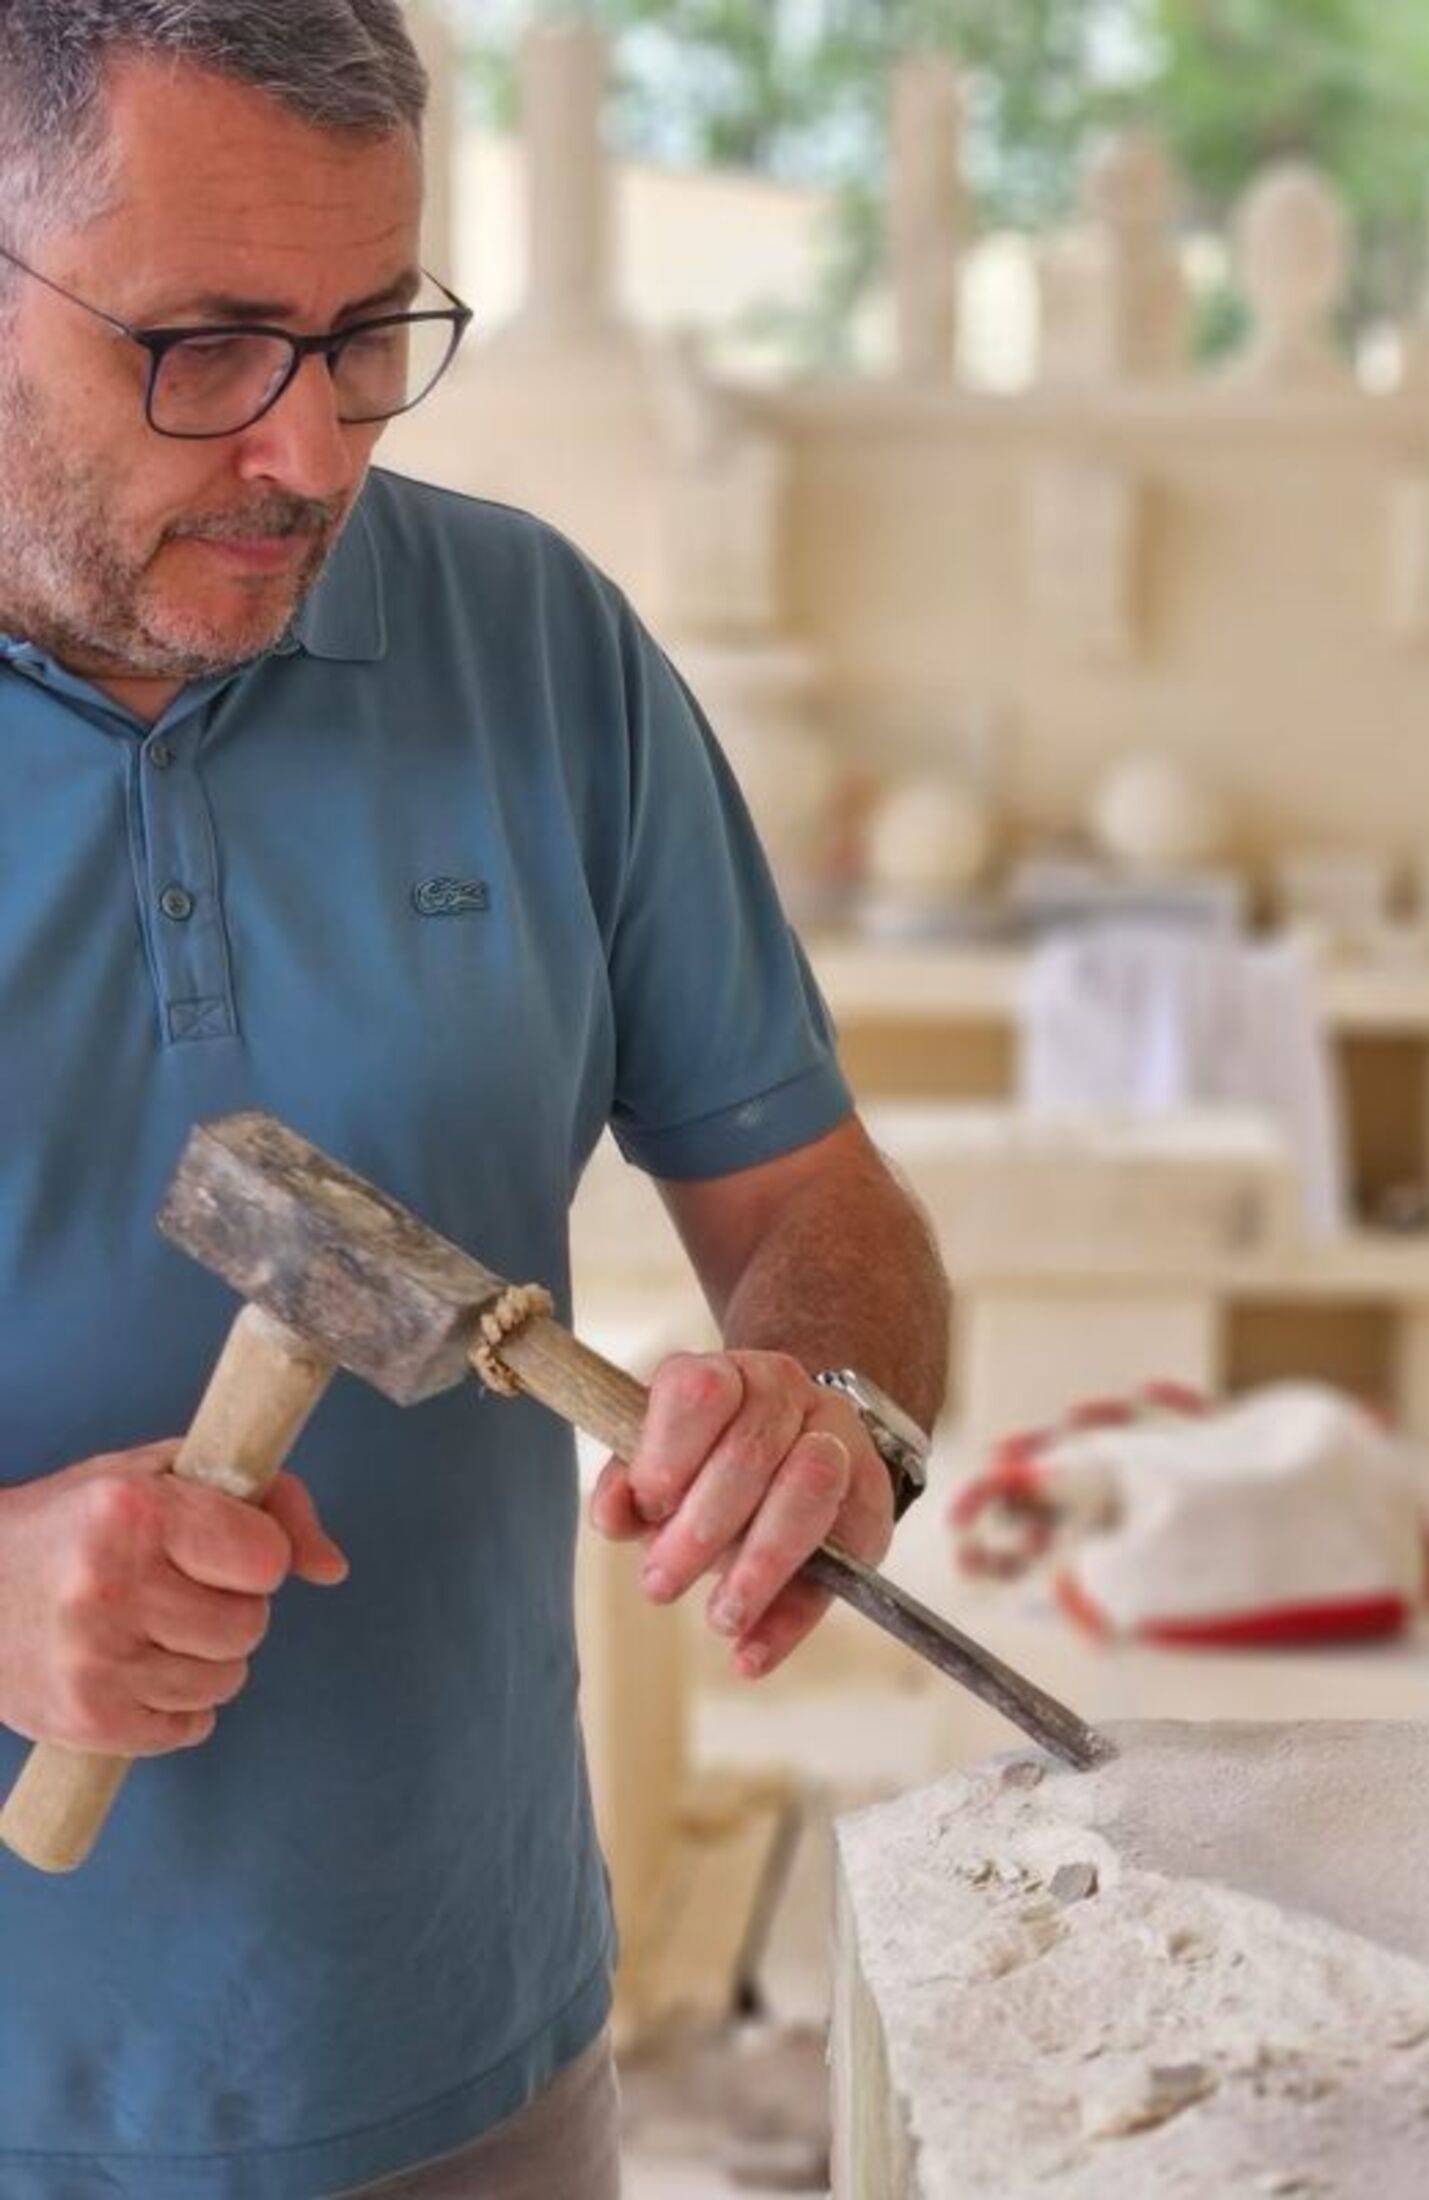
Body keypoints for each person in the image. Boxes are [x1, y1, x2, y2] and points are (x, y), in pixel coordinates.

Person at [0, 5, 951, 2195]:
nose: (313, 453)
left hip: (468, 2079)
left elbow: (815, 1198)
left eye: (366, 335)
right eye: (209, 345)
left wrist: (832, 1399)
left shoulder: (537, 642)